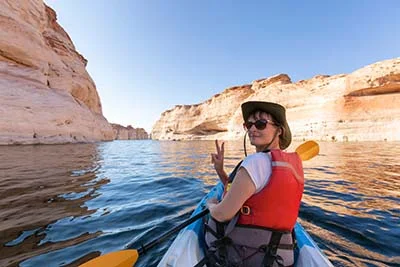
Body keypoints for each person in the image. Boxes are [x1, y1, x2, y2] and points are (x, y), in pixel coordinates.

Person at [204, 101, 304, 267]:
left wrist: (211, 205)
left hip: (244, 256)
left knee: (212, 217)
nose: (252, 129)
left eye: (260, 124)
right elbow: (248, 193)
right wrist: (220, 170)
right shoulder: (288, 164)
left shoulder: (255, 162)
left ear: (279, 130)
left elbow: (223, 214)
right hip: (281, 259)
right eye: (248, 124)